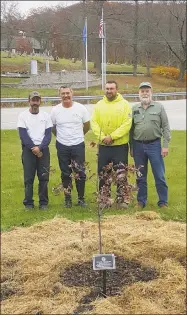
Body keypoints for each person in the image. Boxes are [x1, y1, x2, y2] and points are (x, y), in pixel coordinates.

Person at [91, 80, 132, 208]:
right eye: (107, 89)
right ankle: (104, 199)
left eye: (112, 88)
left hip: (120, 146)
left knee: (121, 173)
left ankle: (122, 199)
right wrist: (103, 137)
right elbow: (94, 123)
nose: (109, 91)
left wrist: (112, 136)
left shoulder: (125, 105)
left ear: (117, 89)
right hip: (104, 146)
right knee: (104, 173)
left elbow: (127, 124)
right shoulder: (99, 105)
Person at [130, 82, 171, 208]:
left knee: (159, 175)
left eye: (147, 91)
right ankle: (141, 201)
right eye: (142, 91)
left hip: (155, 145)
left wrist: (165, 145)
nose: (145, 93)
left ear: (151, 92)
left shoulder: (159, 107)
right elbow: (131, 129)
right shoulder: (134, 109)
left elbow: (165, 127)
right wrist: (131, 147)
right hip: (138, 146)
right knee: (140, 175)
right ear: (139, 93)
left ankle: (163, 201)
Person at [51, 86, 90, 208]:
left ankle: (81, 199)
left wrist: (78, 135)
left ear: (72, 93)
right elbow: (53, 128)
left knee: (80, 172)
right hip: (62, 146)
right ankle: (67, 199)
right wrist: (62, 138)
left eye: (67, 93)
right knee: (65, 173)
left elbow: (87, 125)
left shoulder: (80, 108)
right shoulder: (55, 110)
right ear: (59, 95)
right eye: (63, 93)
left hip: (78, 145)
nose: (65, 95)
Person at [17, 91, 53, 210]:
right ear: (29, 101)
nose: (35, 103)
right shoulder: (23, 116)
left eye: (37, 100)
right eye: (33, 100)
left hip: (43, 150)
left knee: (43, 177)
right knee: (29, 178)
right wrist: (34, 148)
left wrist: (40, 148)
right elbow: (23, 135)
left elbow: (48, 135)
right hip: (28, 150)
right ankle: (28, 203)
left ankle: (43, 203)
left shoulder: (46, 116)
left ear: (40, 101)